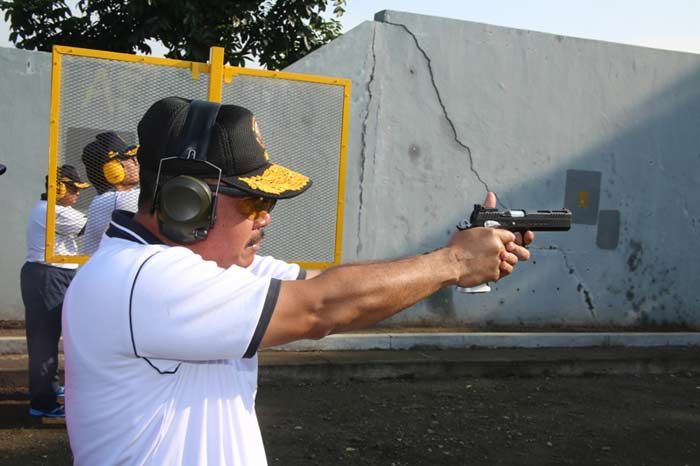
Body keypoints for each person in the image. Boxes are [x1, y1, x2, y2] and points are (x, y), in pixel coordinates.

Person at [63, 97, 534, 465]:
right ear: (186, 200)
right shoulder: (138, 279)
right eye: (252, 202)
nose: (265, 217)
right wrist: (453, 262)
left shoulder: (210, 271)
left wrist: (458, 256)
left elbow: (333, 287)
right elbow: (319, 308)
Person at [21, 164, 89, 418]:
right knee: (44, 341)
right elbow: (93, 226)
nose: (76, 194)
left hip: (53, 275)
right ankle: (42, 402)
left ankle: (46, 390)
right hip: (48, 276)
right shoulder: (52, 210)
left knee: (46, 339)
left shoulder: (56, 210)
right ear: (57, 188)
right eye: (72, 188)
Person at [81, 131, 140, 254]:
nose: (136, 162)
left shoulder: (106, 199)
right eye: (129, 158)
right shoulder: (117, 200)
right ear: (113, 169)